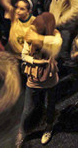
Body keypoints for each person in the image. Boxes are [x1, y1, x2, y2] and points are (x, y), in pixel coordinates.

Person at [20, 12, 62, 145]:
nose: (32, 32)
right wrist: (36, 62)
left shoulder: (55, 36)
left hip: (49, 77)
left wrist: (39, 38)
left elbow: (57, 43)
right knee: (28, 108)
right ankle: (22, 132)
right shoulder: (31, 33)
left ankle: (48, 128)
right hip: (33, 77)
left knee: (50, 105)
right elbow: (24, 55)